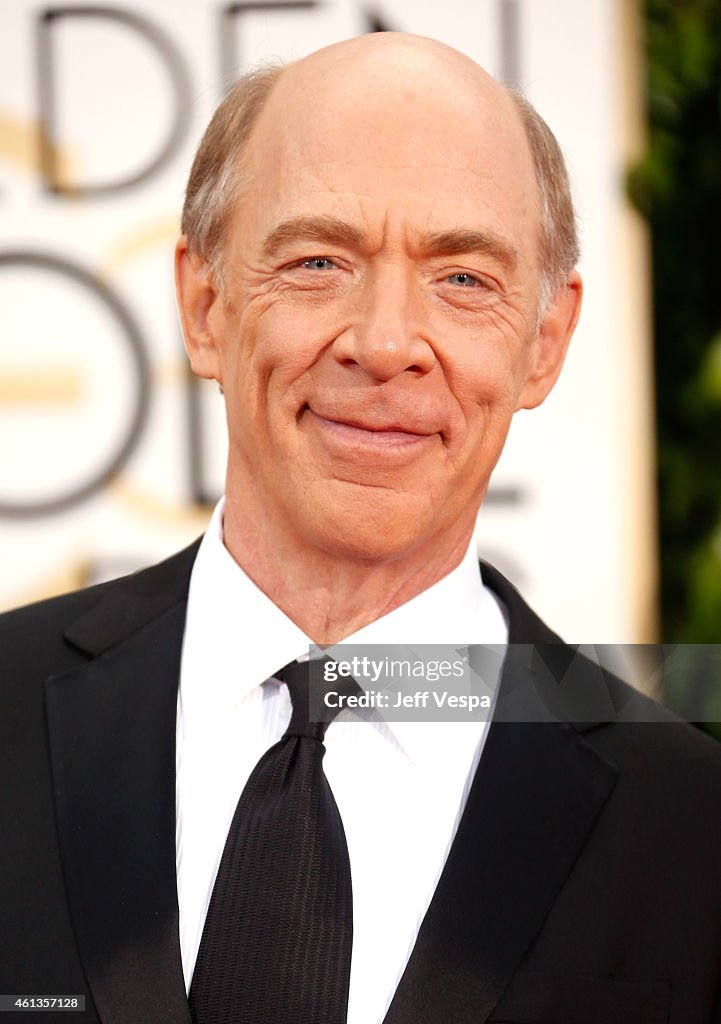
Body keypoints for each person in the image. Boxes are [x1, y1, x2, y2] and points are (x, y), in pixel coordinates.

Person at [1, 31, 720, 1024]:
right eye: (319, 260)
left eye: (463, 278)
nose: (385, 344)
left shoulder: (694, 827)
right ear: (205, 302)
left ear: (544, 342)